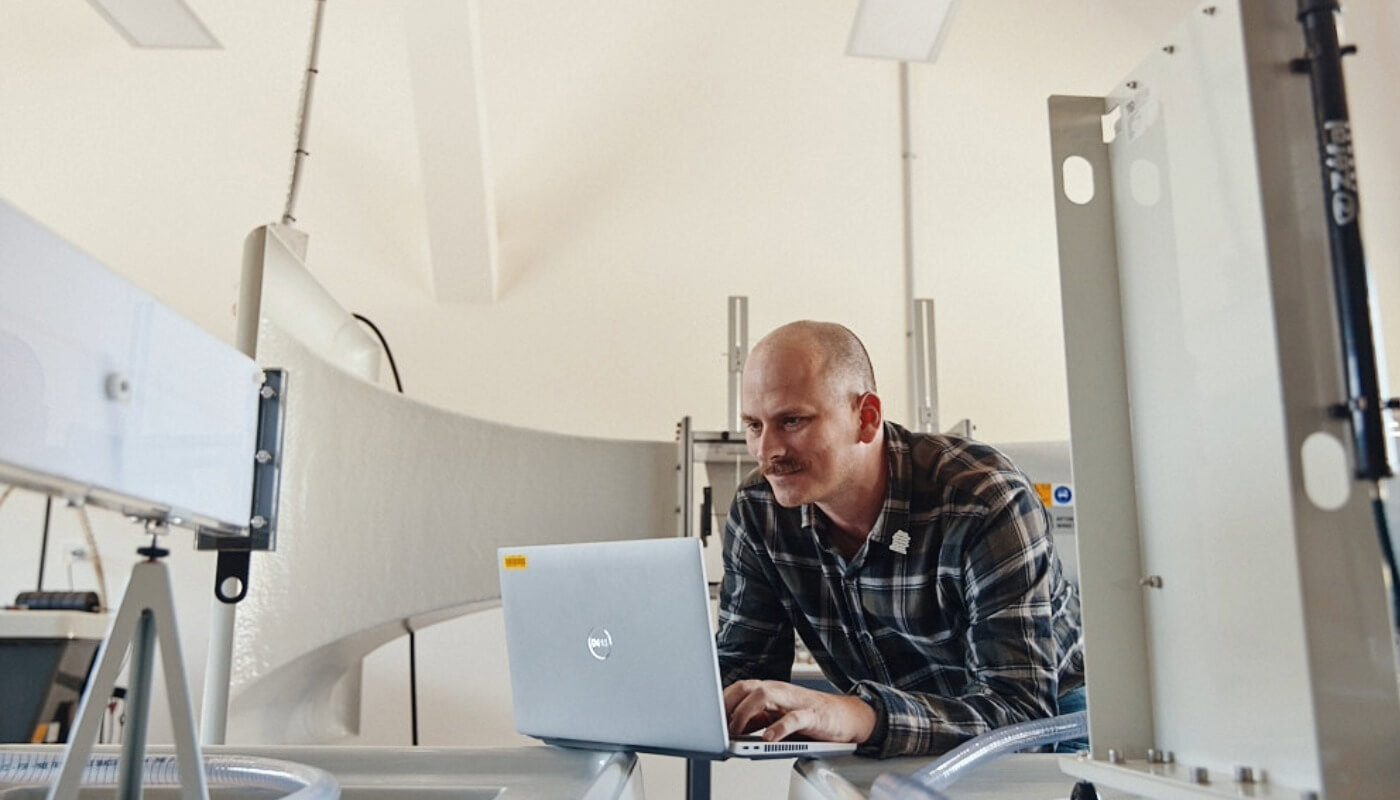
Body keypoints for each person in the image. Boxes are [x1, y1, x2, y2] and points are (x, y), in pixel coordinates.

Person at [717, 320, 1085, 758]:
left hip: (1053, 733)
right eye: (754, 426)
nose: (767, 451)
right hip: (902, 734)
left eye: (792, 421)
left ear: (866, 418)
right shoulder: (759, 510)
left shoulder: (981, 500)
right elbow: (744, 670)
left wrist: (861, 716)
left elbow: (1019, 710)